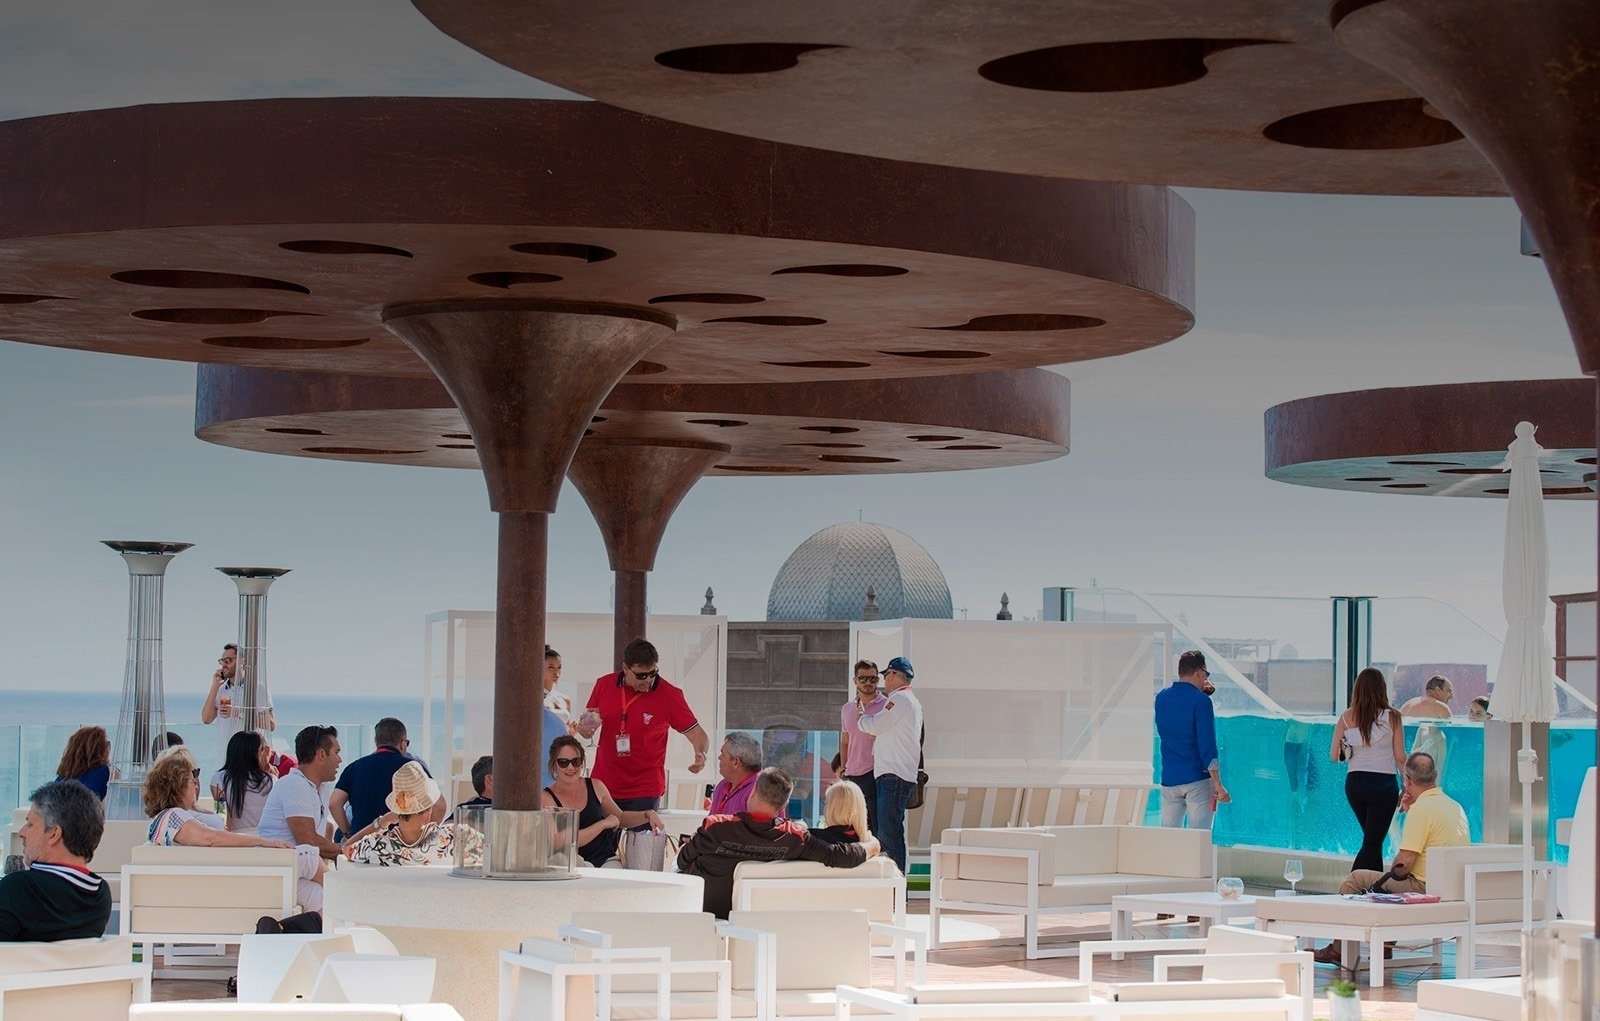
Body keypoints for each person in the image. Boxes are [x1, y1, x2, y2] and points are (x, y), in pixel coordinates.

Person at [1313, 751, 1469, 966]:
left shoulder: (1422, 810)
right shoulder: (1455, 806)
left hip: (1426, 890)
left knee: (1357, 879)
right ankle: (1385, 945)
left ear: (1407, 781)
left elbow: (1403, 865)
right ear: (1434, 776)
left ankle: (1339, 950)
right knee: (1390, 882)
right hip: (1454, 892)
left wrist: (1387, 875)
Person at [677, 767, 880, 918]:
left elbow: (682, 861)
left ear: (753, 792)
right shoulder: (795, 838)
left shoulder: (716, 826)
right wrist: (873, 844)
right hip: (753, 916)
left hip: (703, 910)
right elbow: (840, 855)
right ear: (783, 805)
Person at [142, 749, 324, 910]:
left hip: (227, 874)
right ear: (177, 786)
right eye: (192, 780)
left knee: (315, 894)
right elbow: (211, 838)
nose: (196, 785)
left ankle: (324, 934)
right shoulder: (173, 816)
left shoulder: (171, 818)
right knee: (307, 856)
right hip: (232, 877)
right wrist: (263, 841)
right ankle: (341, 892)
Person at [579, 637, 710, 819]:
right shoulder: (604, 684)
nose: (648, 679)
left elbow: (697, 733)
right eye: (641, 675)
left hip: (645, 790)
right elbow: (586, 728)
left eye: (653, 673)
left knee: (643, 839)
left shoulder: (669, 694)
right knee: (598, 838)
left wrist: (701, 753)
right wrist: (584, 730)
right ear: (625, 668)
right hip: (604, 785)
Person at [0, 780, 112, 941]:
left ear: (54, 834)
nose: (22, 832)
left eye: (30, 824)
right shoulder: (100, 895)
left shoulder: (20, 888)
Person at [541, 735, 663, 867]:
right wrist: (603, 824)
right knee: (572, 865)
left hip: (604, 860)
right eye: (563, 762)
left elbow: (620, 817)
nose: (570, 767)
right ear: (554, 765)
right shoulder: (546, 797)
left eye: (576, 761)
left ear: (582, 762)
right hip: (571, 863)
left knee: (616, 875)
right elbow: (560, 841)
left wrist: (647, 814)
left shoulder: (596, 786)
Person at [1332, 667, 1406, 873]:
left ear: (1357, 689)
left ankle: (1373, 886)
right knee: (1373, 843)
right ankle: (1351, 886)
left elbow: (1334, 755)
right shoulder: (1393, 717)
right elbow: (1400, 757)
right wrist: (1407, 784)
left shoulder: (1346, 717)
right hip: (1383, 785)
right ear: (1382, 688)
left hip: (1355, 784)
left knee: (1373, 840)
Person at [855, 655, 922, 874]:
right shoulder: (910, 701)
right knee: (891, 831)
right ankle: (897, 883)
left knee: (888, 833)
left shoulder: (899, 699)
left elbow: (876, 725)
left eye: (885, 676)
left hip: (893, 775)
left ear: (893, 675)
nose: (884, 681)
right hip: (898, 774)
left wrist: (862, 718)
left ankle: (895, 883)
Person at [343, 762, 476, 867]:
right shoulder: (455, 837)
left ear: (396, 811)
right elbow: (487, 851)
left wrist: (381, 822)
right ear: (429, 809)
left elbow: (346, 847)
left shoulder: (376, 846)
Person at [330, 718, 443, 838]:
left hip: (363, 842)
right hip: (400, 842)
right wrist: (423, 837)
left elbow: (334, 803)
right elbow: (440, 806)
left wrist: (349, 833)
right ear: (402, 743)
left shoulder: (354, 767)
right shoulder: (412, 769)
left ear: (376, 741)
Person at [1155, 650, 1230, 829]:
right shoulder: (1201, 702)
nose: (1205, 679)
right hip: (1197, 781)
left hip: (1170, 780)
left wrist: (1199, 693)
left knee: (1168, 837)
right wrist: (1218, 784)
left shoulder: (1161, 698)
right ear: (1199, 672)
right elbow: (1207, 745)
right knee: (1198, 837)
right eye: (1205, 674)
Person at [257, 725, 344, 863]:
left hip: (298, 867)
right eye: (336, 752)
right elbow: (308, 841)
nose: (340, 759)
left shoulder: (322, 787)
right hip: (280, 868)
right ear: (322, 754)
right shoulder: (294, 784)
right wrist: (347, 851)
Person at [200, 643, 275, 765]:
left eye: (227, 661)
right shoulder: (220, 690)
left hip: (251, 760)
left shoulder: (258, 688)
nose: (224, 665)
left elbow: (271, 724)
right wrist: (214, 686)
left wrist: (239, 713)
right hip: (225, 760)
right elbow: (206, 719)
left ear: (241, 661)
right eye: (222, 661)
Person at [838, 660, 886, 834]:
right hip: (852, 775)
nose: (868, 683)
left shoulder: (887, 706)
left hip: (876, 772)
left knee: (876, 827)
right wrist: (843, 768)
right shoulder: (847, 708)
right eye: (863, 679)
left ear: (878, 680)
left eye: (873, 679)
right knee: (852, 827)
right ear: (855, 681)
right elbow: (845, 740)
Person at [210, 730, 275, 832]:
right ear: (259, 752)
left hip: (236, 838)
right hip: (264, 837)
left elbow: (221, 815)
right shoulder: (270, 780)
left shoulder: (219, 779)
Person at [708, 733, 762, 816]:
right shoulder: (723, 785)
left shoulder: (761, 792)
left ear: (735, 762)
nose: (719, 757)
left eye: (723, 754)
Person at [55, 725, 113, 800]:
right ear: (99, 750)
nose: (108, 750)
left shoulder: (62, 777)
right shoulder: (103, 772)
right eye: (106, 745)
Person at [809, 778, 871, 846]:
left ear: (833, 808)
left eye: (826, 803)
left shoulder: (814, 838)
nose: (824, 809)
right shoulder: (868, 843)